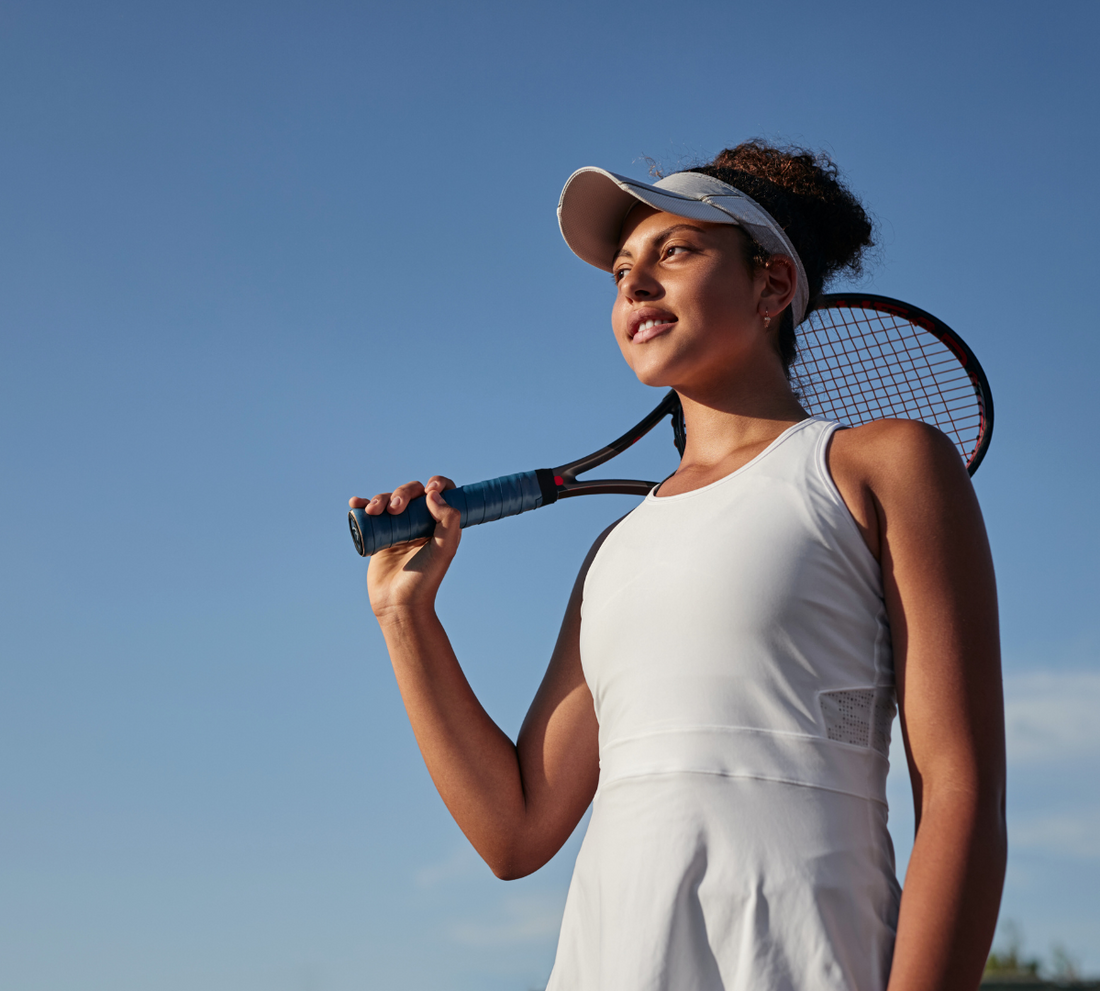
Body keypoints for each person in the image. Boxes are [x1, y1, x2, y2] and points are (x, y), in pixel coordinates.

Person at [350, 141, 1006, 991]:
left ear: (772, 286)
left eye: (676, 251)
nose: (634, 284)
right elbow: (514, 832)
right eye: (622, 269)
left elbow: (959, 788)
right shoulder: (615, 550)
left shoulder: (887, 463)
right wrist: (407, 617)